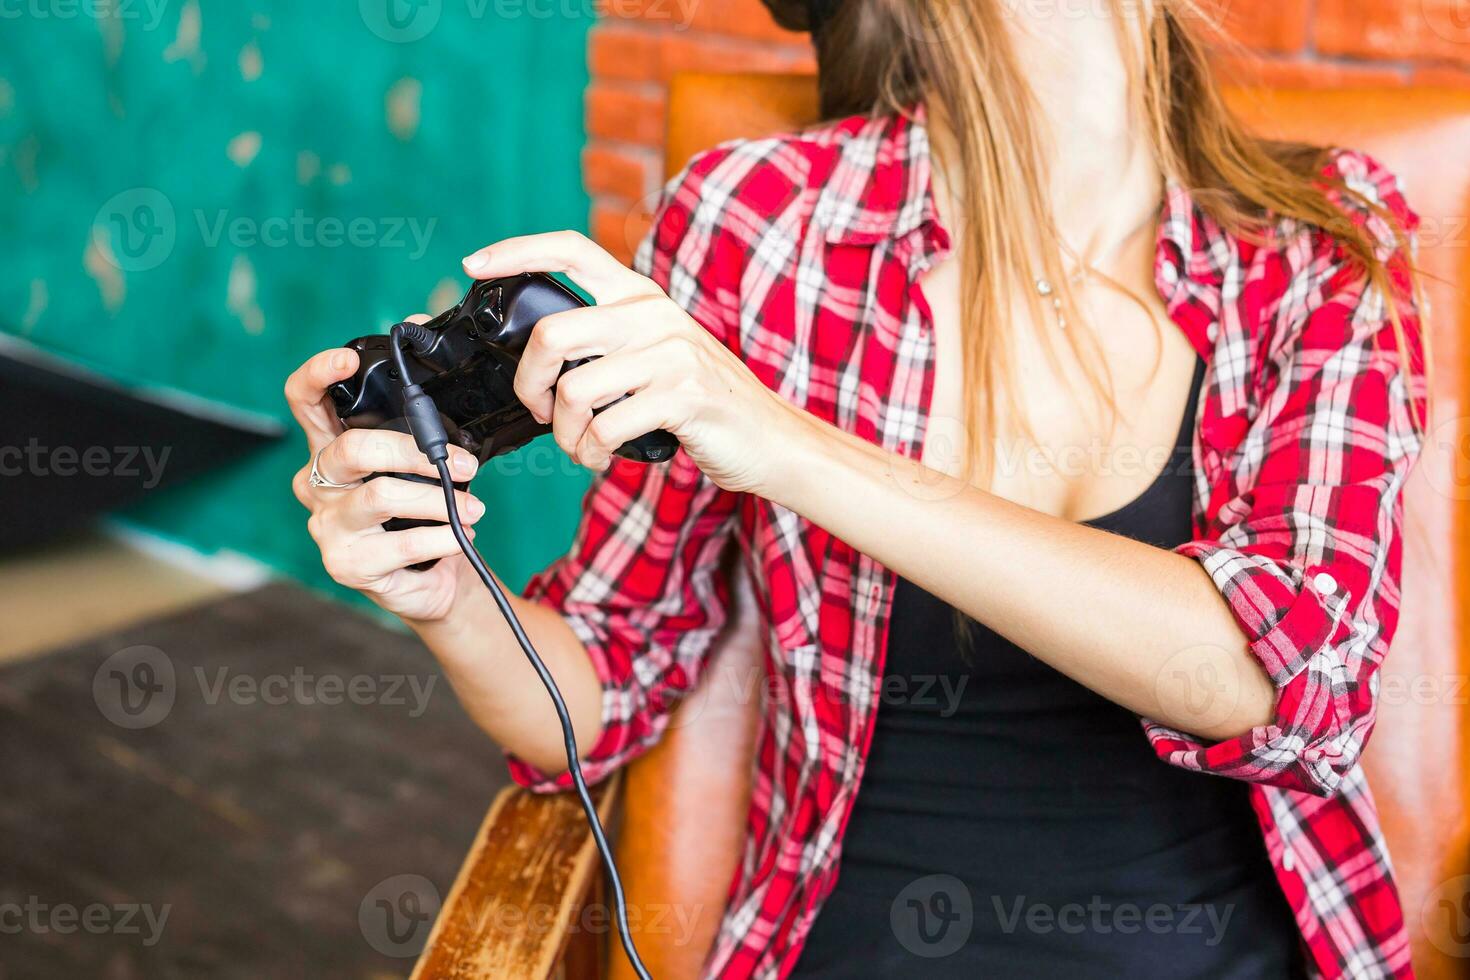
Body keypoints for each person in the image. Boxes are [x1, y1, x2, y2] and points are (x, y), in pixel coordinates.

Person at [284, 1, 1426, 976]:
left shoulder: (1319, 239)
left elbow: (1277, 679)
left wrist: (776, 438)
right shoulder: (760, 222)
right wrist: (446, 593)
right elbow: (601, 679)